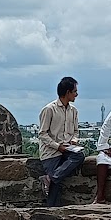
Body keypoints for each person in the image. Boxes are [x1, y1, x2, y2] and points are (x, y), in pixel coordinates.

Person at [37, 76, 84, 206]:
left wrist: (73, 141)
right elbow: (42, 134)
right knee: (55, 187)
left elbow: (75, 132)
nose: (76, 94)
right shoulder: (49, 109)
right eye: (74, 91)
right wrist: (58, 146)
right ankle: (52, 209)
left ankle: (50, 178)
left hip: (67, 148)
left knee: (79, 156)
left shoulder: (73, 111)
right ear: (67, 92)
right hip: (52, 151)